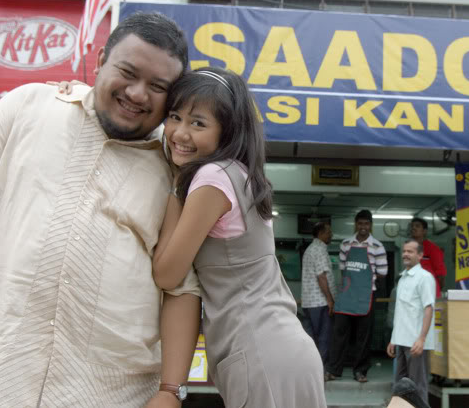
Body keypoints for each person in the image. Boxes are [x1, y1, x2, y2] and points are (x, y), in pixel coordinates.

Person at [0, 12, 201, 407]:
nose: (138, 94)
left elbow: (182, 287)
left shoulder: (176, 171)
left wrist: (171, 391)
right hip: (2, 377)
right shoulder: (27, 109)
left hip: (113, 394)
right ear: (101, 59)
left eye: (158, 87)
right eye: (127, 71)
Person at [151, 67, 326, 407]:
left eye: (198, 123)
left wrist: (175, 183)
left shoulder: (211, 178)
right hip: (280, 348)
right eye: (175, 117)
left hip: (260, 351)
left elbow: (167, 273)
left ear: (226, 132)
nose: (180, 133)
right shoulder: (241, 175)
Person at [325, 209, 388, 383]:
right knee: (339, 334)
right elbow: (344, 269)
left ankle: (360, 371)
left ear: (371, 225)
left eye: (366, 224)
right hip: (347, 294)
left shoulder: (378, 247)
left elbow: (383, 272)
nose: (363, 227)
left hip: (367, 295)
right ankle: (333, 370)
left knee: (363, 336)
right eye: (360, 223)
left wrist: (366, 278)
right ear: (356, 224)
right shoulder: (345, 244)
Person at [387, 240, 436, 407]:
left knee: (418, 387)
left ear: (420, 255)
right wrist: (393, 339)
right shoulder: (402, 278)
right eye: (404, 251)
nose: (406, 254)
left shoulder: (425, 278)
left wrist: (422, 338)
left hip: (416, 343)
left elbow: (428, 309)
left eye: (411, 251)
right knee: (400, 387)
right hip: (401, 340)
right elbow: (401, 312)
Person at [302, 221, 337, 365]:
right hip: (320, 302)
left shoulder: (310, 249)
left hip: (309, 302)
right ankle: (320, 370)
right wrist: (330, 299)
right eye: (329, 232)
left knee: (310, 338)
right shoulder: (320, 250)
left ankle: (308, 368)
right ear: (321, 233)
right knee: (323, 337)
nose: (331, 235)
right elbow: (321, 276)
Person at [410, 217, 446, 298]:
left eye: (417, 226)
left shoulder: (432, 248)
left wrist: (435, 291)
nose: (413, 228)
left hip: (430, 293)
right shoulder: (410, 249)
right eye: (412, 226)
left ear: (424, 231)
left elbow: (441, 275)